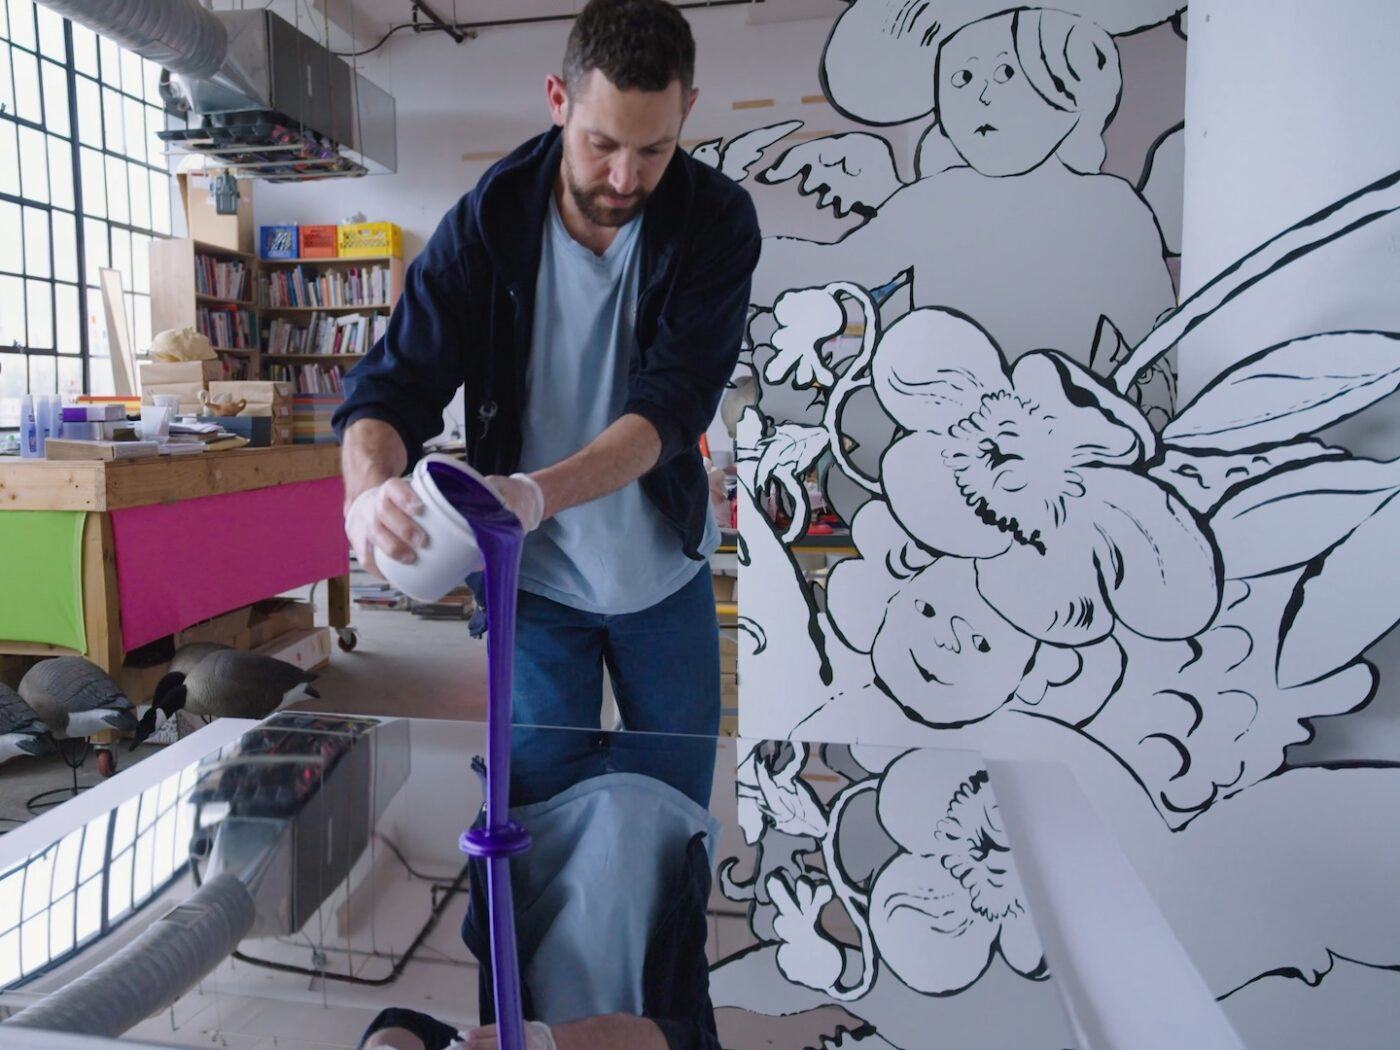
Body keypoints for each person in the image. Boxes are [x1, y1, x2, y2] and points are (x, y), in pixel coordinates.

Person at [337, 0, 760, 811]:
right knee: (530, 811)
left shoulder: (717, 222)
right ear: (558, 100)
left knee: (674, 810)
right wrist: (364, 494)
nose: (626, 178)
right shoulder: (484, 224)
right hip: (530, 582)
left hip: (662, 572)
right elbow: (392, 387)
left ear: (689, 116)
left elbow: (675, 405)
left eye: (655, 149)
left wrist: (537, 494)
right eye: (601, 144)